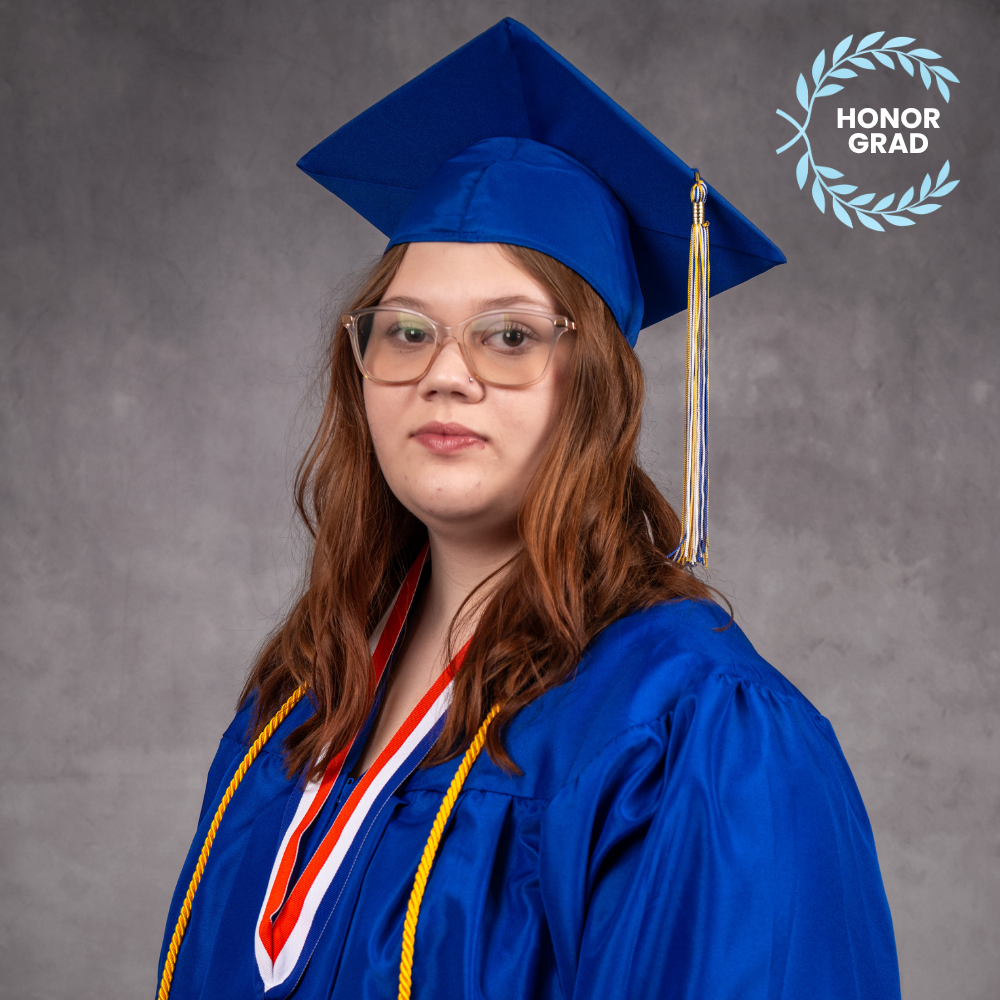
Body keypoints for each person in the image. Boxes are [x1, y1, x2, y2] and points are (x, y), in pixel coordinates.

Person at [157, 18, 901, 1000]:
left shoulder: (698, 732)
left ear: (591, 384)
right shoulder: (298, 698)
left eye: (508, 336)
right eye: (407, 330)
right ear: (361, 368)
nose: (444, 375)